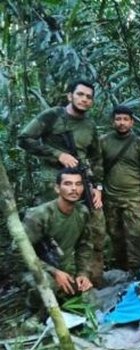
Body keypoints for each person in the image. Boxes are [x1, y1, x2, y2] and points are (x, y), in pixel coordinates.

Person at [18, 79, 105, 284]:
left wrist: (98, 187)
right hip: (53, 182)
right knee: (51, 231)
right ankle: (50, 278)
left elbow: (97, 158)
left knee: (95, 227)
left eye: (89, 97)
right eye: (80, 94)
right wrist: (57, 154)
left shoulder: (89, 125)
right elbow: (24, 139)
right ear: (70, 96)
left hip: (82, 181)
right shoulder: (52, 116)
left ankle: (90, 278)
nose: (84, 99)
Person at [101, 105, 140, 271]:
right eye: (118, 119)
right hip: (110, 198)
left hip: (133, 197)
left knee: (137, 236)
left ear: (132, 122)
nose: (122, 123)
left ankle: (139, 270)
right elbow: (97, 167)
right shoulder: (103, 141)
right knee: (116, 235)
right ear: (113, 121)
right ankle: (122, 269)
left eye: (125, 119)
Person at [23, 168, 93, 296]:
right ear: (57, 188)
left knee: (88, 293)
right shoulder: (39, 215)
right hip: (35, 267)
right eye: (68, 184)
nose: (74, 189)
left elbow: (85, 245)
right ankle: (35, 310)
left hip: (64, 265)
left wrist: (83, 273)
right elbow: (19, 252)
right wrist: (53, 272)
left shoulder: (82, 212)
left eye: (78, 184)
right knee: (48, 286)